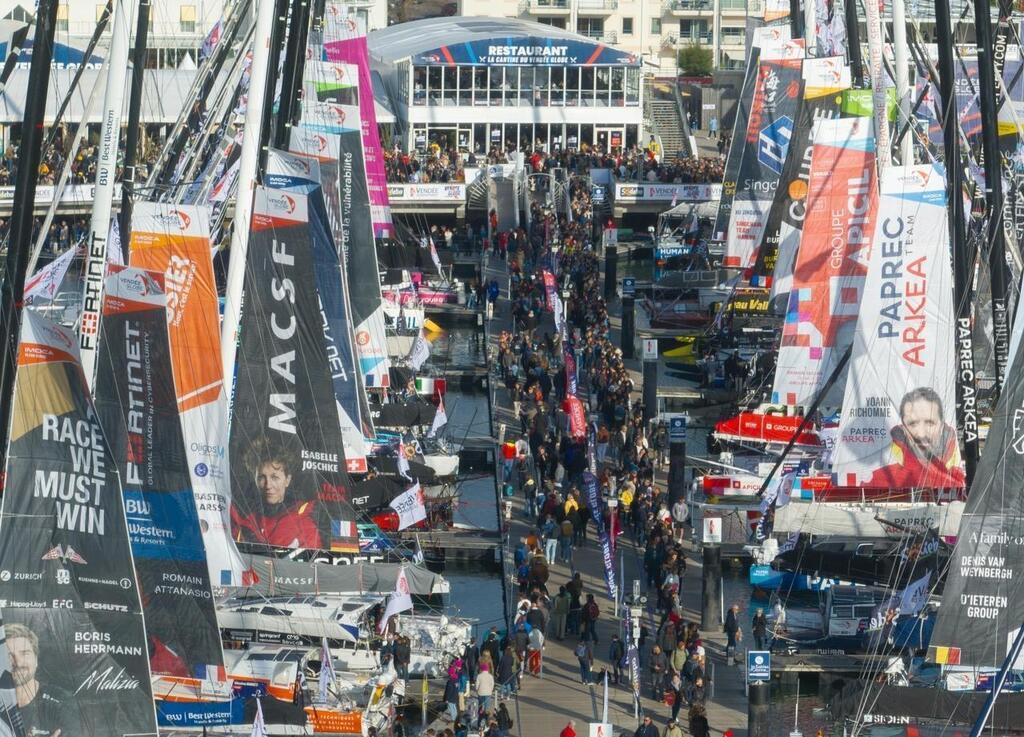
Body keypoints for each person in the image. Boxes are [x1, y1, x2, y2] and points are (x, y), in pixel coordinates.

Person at [868, 387, 965, 488]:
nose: (921, 434)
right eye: (913, 424)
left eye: (930, 423)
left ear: (941, 426)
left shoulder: (958, 477)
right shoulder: (878, 478)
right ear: (903, 427)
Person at [231, 448, 322, 548]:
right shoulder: (241, 517)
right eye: (261, 477)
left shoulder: (303, 523)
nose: (268, 485)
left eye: (274, 478)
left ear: (287, 480)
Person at [8, 623, 69, 737]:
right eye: (8, 656)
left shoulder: (62, 701)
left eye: (25, 653)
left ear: (36, 659)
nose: (18, 663)